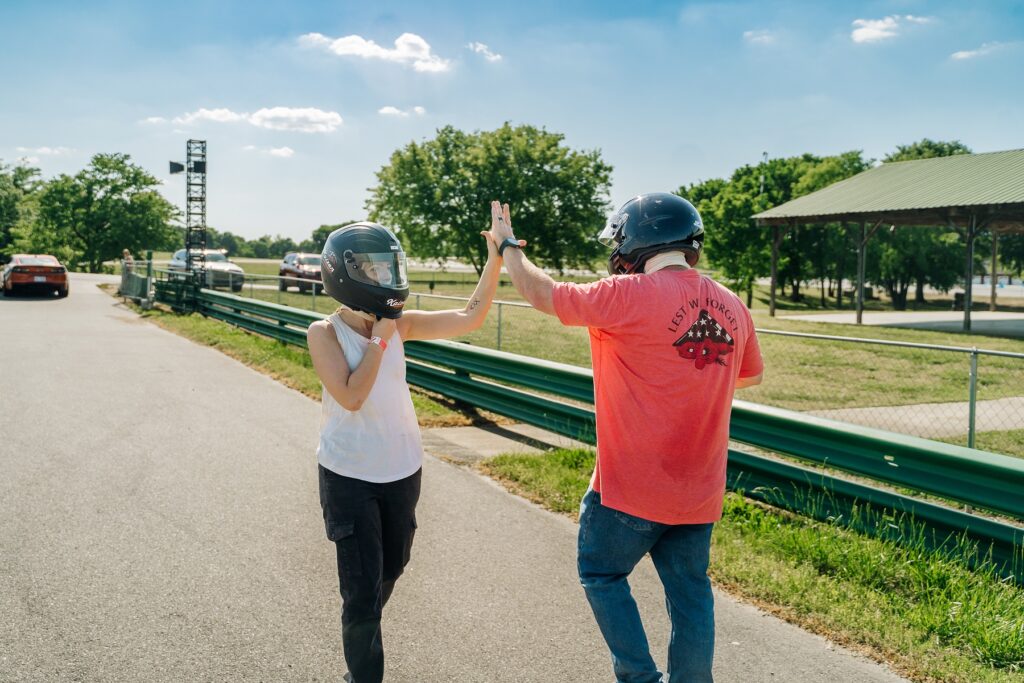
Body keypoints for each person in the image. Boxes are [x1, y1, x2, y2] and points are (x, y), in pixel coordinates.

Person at [487, 194, 763, 683]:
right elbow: (747, 376)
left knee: (602, 573)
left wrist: (508, 246)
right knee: (691, 597)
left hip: (628, 489)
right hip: (698, 492)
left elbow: (543, 293)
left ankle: (639, 678)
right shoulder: (734, 305)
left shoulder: (626, 293)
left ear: (634, 241)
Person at [307, 218, 515, 683]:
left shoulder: (400, 325)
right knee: (361, 595)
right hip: (348, 474)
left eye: (388, 269)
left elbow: (470, 317)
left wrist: (495, 258)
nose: (385, 279)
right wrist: (381, 337)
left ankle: (364, 627)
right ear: (345, 273)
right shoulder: (324, 332)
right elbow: (352, 396)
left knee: (393, 566)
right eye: (374, 270)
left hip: (402, 470)